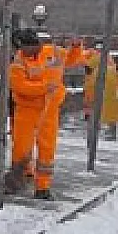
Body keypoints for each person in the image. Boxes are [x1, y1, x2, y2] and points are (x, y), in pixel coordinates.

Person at [30, 34, 85, 199]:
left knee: (25, 144)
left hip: (32, 104)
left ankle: (25, 175)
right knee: (45, 147)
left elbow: (73, 59)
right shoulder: (56, 53)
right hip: (44, 104)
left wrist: (75, 47)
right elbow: (74, 60)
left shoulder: (42, 54)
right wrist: (76, 47)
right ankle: (41, 186)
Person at [4, 29, 48, 195]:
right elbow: (21, 87)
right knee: (22, 146)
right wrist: (44, 88)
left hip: (42, 108)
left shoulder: (42, 56)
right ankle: (14, 180)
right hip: (24, 109)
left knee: (37, 145)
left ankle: (25, 173)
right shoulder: (18, 63)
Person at [84, 50, 118, 141]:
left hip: (103, 90)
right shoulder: (108, 62)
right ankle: (109, 131)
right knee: (110, 113)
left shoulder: (97, 61)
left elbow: (88, 69)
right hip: (109, 92)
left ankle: (98, 130)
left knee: (98, 111)